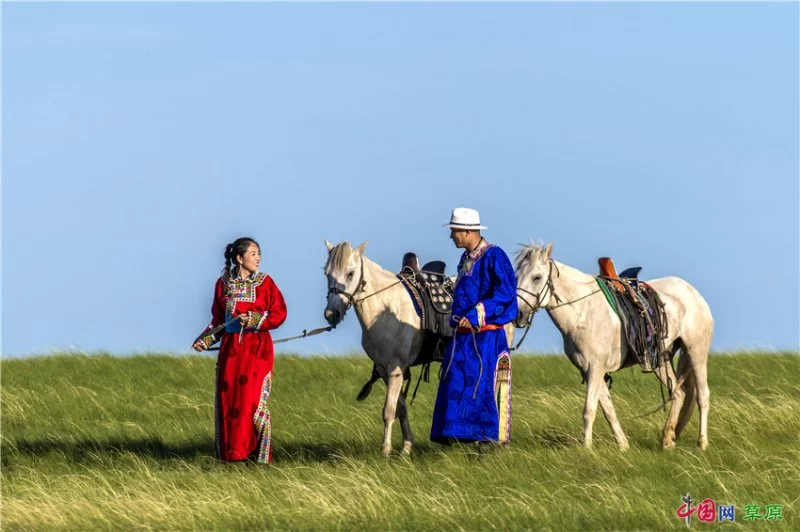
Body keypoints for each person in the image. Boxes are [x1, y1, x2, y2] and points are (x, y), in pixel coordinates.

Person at [192, 237, 287, 464]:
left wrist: (254, 318)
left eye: (258, 253)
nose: (258, 258)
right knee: (231, 402)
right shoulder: (223, 283)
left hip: (258, 350)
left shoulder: (266, 283)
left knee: (254, 403)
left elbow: (279, 313)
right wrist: (204, 340)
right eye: (253, 253)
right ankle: (232, 457)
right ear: (239, 258)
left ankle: (261, 458)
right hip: (231, 351)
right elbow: (218, 320)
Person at [430, 208, 518, 445]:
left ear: (468, 231)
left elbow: (506, 292)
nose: (451, 236)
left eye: (454, 231)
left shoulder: (495, 256)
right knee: (456, 388)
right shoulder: (465, 258)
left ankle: (488, 441)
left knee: (482, 390)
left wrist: (477, 314)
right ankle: (459, 440)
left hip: (486, 341)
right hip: (463, 340)